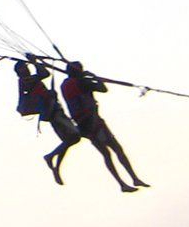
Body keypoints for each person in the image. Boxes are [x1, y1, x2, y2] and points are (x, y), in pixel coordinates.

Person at [61, 61, 149, 193]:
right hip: (94, 121)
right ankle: (133, 179)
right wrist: (94, 77)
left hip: (82, 124)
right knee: (116, 149)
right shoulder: (82, 83)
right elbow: (103, 89)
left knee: (106, 154)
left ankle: (123, 183)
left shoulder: (65, 85)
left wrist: (86, 78)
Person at [16, 56, 82, 185]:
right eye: (24, 68)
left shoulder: (28, 80)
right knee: (75, 136)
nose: (27, 70)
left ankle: (55, 165)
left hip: (53, 110)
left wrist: (34, 62)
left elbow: (43, 74)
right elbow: (44, 73)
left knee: (69, 139)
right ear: (20, 71)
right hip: (52, 112)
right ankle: (50, 156)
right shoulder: (26, 81)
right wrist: (34, 62)